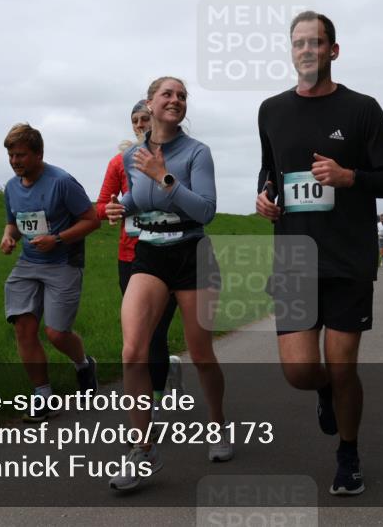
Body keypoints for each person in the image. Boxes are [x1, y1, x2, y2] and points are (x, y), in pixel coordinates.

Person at [256, 11, 383, 496]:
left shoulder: (363, 109)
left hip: (347, 257)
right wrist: (265, 197)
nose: (305, 50)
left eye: (315, 43)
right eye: (298, 43)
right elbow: (271, 173)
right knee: (300, 371)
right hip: (295, 259)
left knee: (343, 366)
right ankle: (324, 394)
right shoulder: (270, 110)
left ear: (333, 51)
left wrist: (351, 178)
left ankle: (348, 453)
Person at [105, 76, 230, 491]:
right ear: (151, 103)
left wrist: (165, 177)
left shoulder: (197, 153)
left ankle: (217, 424)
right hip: (150, 256)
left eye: (182, 96)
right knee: (132, 350)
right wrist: (117, 208)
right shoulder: (132, 157)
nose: (176, 100)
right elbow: (137, 202)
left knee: (201, 352)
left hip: (192, 255)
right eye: (168, 94)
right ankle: (142, 450)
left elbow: (206, 210)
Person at [0, 123, 101, 422]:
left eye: (21, 155)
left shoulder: (62, 182)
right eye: (11, 156)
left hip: (63, 263)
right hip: (28, 263)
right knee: (23, 327)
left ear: (38, 154)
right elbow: (14, 222)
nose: (15, 161)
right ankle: (43, 396)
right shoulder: (12, 187)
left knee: (56, 333)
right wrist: (8, 237)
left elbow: (91, 220)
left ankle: (84, 365)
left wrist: (57, 239)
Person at [95, 101, 184, 407]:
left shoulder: (178, 157)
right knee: (139, 333)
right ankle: (163, 373)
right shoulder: (120, 163)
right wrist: (110, 209)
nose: (141, 124)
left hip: (169, 251)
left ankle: (154, 402)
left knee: (155, 330)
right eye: (135, 120)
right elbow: (100, 205)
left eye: (146, 118)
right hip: (130, 256)